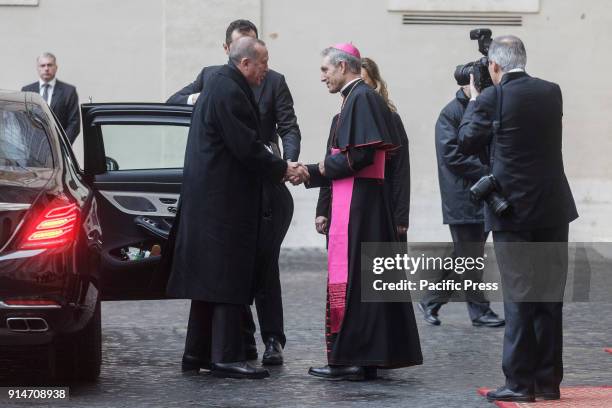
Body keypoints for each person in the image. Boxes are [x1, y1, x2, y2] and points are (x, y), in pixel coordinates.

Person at [165, 36, 307, 380]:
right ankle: (226, 356)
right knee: (227, 277)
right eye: (263, 62)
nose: (266, 70)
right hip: (224, 203)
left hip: (211, 200)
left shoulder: (219, 84)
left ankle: (196, 353)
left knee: (206, 284)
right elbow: (246, 146)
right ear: (245, 63)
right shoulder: (229, 90)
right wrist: (282, 168)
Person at [458, 35, 578, 402]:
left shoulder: (493, 97)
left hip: (513, 210)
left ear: (494, 66)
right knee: (548, 297)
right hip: (553, 208)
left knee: (519, 298)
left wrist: (478, 98)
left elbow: (465, 140)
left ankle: (519, 384)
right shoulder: (551, 91)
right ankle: (547, 382)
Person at [305, 43, 422, 381]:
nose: (323, 77)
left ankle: (356, 359)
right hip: (356, 202)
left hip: (363, 206)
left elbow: (360, 158)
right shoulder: (356, 99)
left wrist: (313, 169)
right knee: (362, 283)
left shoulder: (362, 97)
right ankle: (361, 357)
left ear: (342, 66)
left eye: (326, 70)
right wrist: (318, 175)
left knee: (359, 283)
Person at [417, 84, 504, 328]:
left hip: (482, 194)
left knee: (466, 255)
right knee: (470, 257)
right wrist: (491, 172)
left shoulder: (484, 108)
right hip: (463, 198)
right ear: (466, 84)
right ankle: (480, 312)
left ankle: (431, 300)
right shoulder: (451, 113)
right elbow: (452, 155)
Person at [315, 57, 410, 241]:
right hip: (343, 206)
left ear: (374, 85)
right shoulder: (338, 120)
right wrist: (322, 210)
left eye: (364, 82)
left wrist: (400, 216)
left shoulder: (391, 119)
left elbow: (400, 170)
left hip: (378, 207)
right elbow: (331, 161)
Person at [22, 52, 80, 144]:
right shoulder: (27, 91)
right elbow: (23, 121)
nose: (46, 68)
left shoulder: (69, 91)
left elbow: (74, 123)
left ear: (56, 67)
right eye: (42, 65)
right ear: (37, 68)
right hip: (33, 148)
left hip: (60, 149)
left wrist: (62, 145)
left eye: (49, 65)